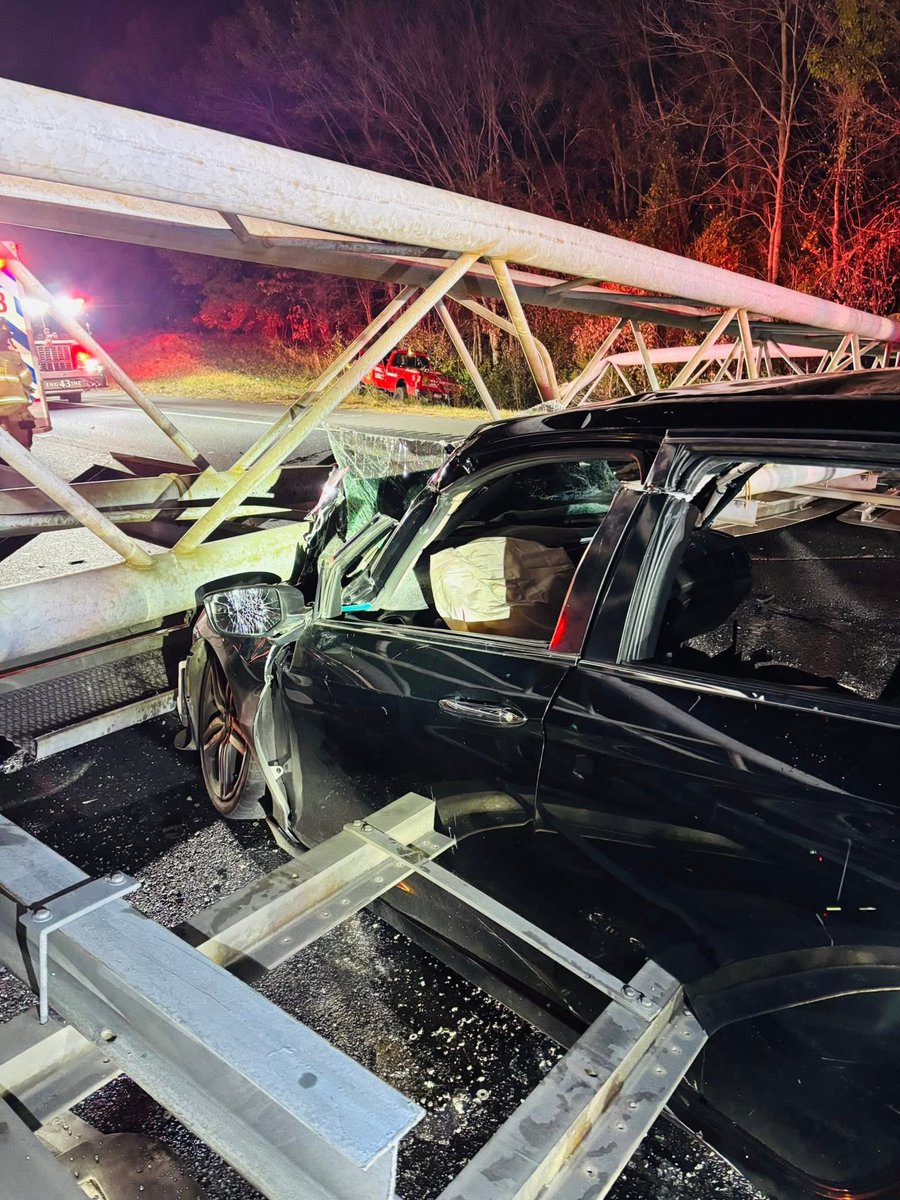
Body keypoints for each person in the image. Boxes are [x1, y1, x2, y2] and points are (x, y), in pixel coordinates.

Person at [0, 321, 35, 452]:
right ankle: (26, 469)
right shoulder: (14, 356)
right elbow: (27, 379)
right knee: (23, 446)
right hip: (16, 407)